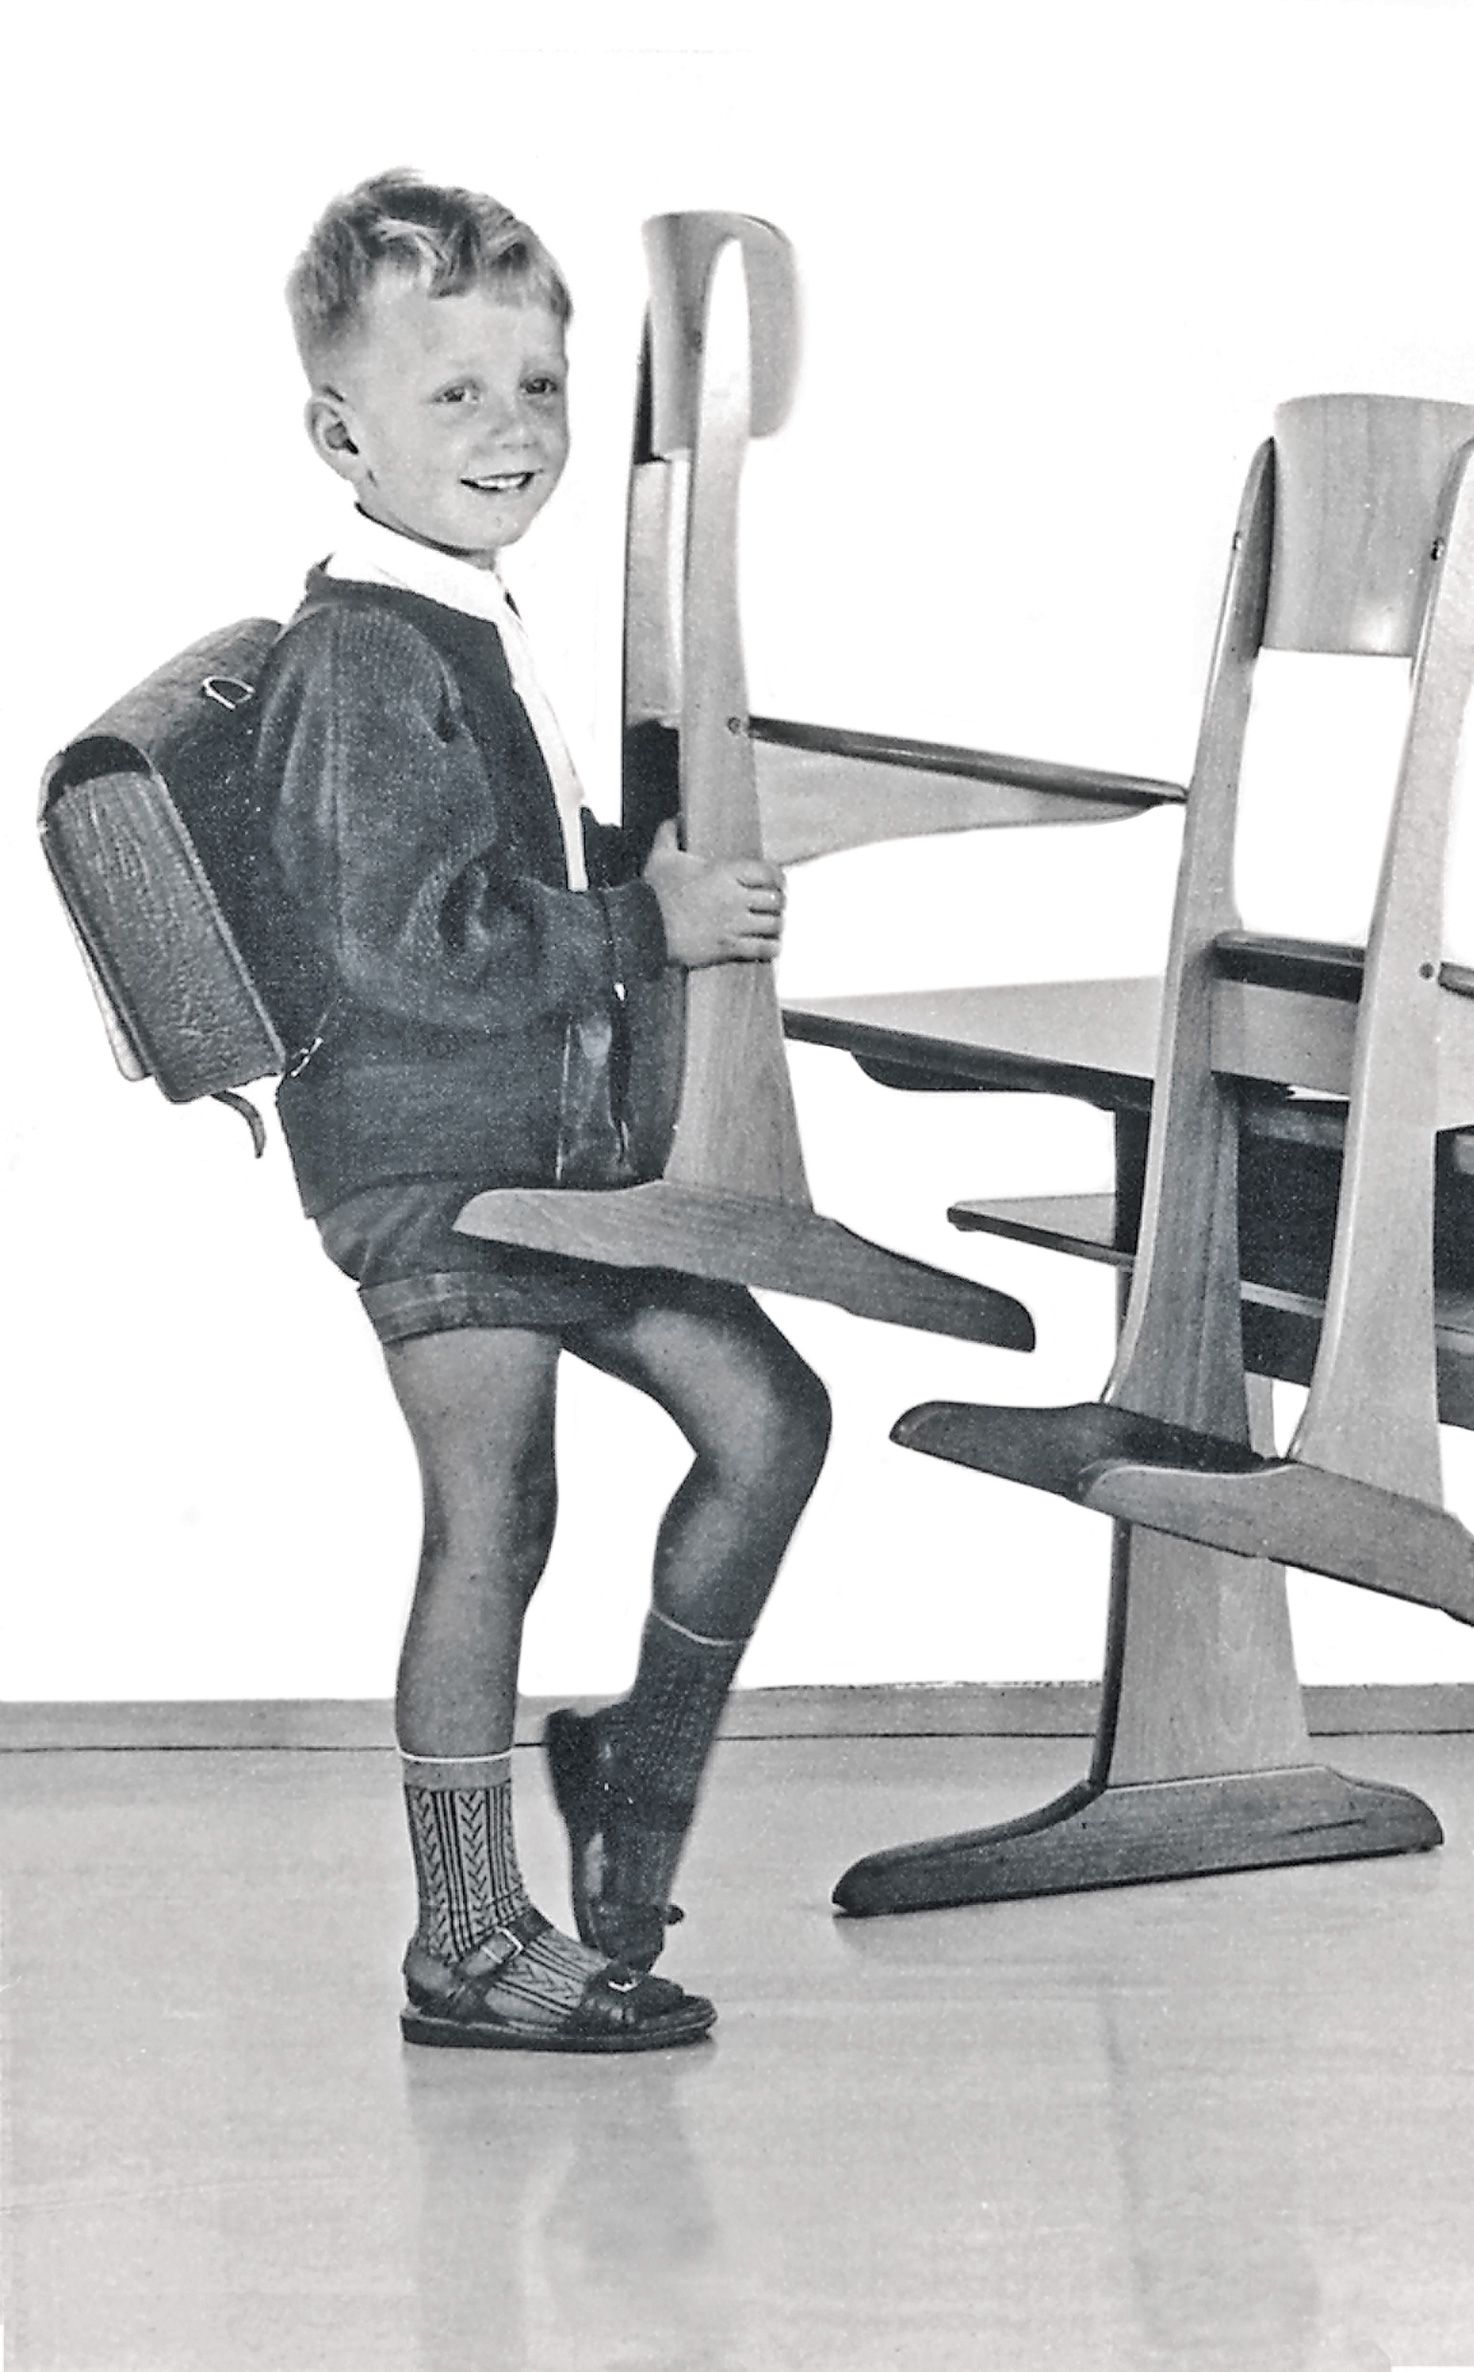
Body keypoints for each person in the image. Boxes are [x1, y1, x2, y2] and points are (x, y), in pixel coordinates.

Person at [261, 170, 831, 2054]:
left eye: (541, 385)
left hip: (543, 1157)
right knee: (492, 1517)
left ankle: (629, 1779)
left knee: (767, 1417)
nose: (512, 430)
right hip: (432, 1164)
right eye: (454, 395)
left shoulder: (468, 616)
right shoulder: (363, 650)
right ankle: (464, 1940)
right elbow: (403, 943)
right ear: (342, 432)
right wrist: (636, 922)